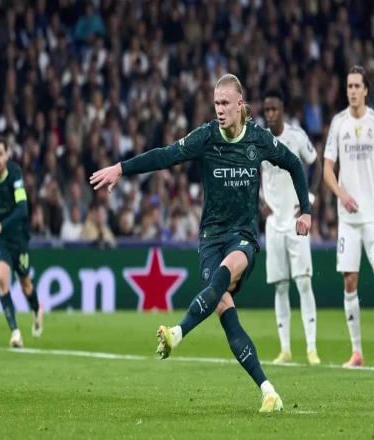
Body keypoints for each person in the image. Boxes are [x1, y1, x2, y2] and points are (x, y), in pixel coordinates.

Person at [90, 74, 312, 413]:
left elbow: (294, 164)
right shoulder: (206, 137)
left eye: (225, 103)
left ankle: (178, 332)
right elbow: (165, 156)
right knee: (226, 314)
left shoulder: (259, 139)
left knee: (226, 271)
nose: (219, 109)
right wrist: (121, 167)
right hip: (210, 238)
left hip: (243, 236)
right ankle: (269, 391)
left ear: (240, 104)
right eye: (216, 103)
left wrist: (305, 210)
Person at [323, 65, 374, 369]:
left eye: (357, 86)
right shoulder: (338, 123)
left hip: (373, 215)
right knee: (350, 281)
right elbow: (327, 169)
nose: (352, 91)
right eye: (349, 86)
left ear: (366, 90)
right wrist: (341, 193)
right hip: (348, 219)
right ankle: (357, 352)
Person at [261, 89, 322, 366]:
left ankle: (311, 349)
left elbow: (316, 164)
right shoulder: (259, 140)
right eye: (267, 110)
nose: (270, 114)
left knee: (304, 282)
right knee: (281, 286)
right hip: (274, 223)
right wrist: (259, 202)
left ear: (282, 110)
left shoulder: (296, 136)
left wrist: (311, 199)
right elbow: (251, 174)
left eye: (274, 109)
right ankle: (285, 349)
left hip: (297, 220)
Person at [0, 138, 43, 348]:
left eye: (0, 154)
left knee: (25, 284)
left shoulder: (15, 175)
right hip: (1, 239)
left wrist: (0, 226)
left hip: (19, 236)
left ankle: (37, 309)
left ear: (7, 156)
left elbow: (23, 209)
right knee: (2, 279)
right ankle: (15, 332)